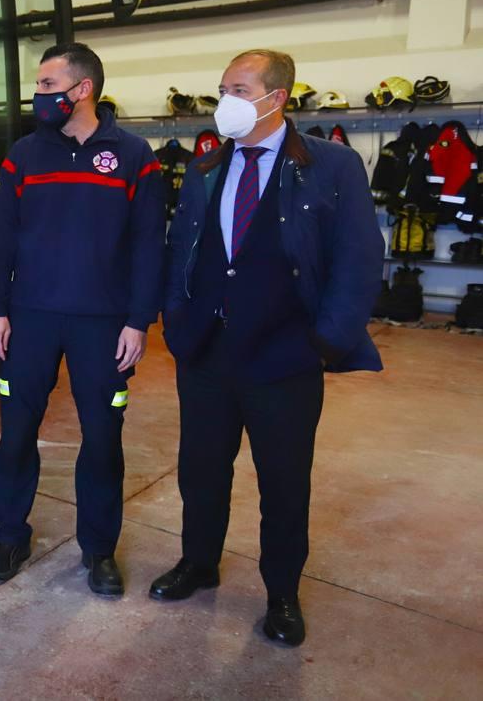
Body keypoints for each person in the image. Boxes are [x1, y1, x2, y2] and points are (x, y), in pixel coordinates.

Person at [151, 49, 383, 647]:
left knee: (283, 482)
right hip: (206, 353)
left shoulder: (332, 165)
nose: (223, 99)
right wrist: (177, 323)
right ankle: (198, 563)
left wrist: (325, 343)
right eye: (221, 87)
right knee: (201, 472)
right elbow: (184, 250)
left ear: (276, 98)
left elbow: (358, 260)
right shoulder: (206, 168)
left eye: (237, 88)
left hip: (285, 359)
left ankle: (281, 592)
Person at [0, 42, 165, 593]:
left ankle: (99, 550)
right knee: (15, 435)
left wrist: (138, 320)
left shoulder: (135, 156)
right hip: (31, 320)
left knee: (103, 439)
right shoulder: (23, 155)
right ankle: (11, 534)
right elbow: (4, 238)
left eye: (45, 85)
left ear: (81, 89)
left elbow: (150, 246)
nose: (37, 95)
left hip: (103, 326)